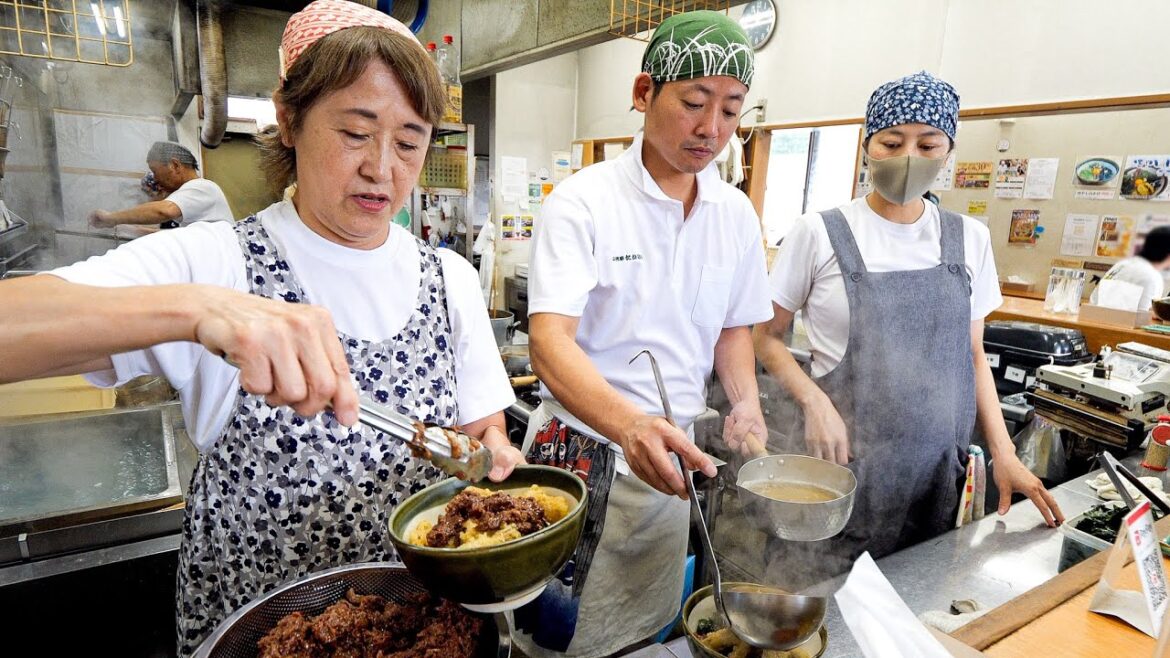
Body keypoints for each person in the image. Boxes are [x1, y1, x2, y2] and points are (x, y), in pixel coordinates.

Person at [0, 2, 522, 654]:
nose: (383, 168)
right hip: (258, 635)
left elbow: (481, 434)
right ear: (289, 117)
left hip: (420, 631)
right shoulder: (216, 261)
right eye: (356, 133)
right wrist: (195, 310)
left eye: (410, 140)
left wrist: (494, 461)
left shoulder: (450, 278)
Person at [518, 11, 773, 658]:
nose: (711, 128)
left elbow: (733, 330)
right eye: (693, 102)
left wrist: (744, 401)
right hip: (580, 456)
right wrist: (629, 426)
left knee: (641, 635)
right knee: (552, 640)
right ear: (642, 93)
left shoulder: (734, 214)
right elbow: (550, 345)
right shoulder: (583, 202)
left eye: (731, 109)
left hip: (669, 461)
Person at [752, 71, 1064, 590]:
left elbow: (972, 354)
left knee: (914, 606)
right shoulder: (820, 232)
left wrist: (1005, 452)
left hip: (934, 476)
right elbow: (765, 337)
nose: (908, 156)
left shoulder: (970, 239)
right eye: (892, 142)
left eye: (927, 143)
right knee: (809, 605)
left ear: (948, 152)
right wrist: (814, 401)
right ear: (868, 147)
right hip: (839, 469)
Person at [88, 140, 233, 230]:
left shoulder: (203, 187)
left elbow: (164, 211)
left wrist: (111, 218)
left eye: (155, 171)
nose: (155, 179)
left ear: (175, 165)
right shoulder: (190, 192)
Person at [1089, 225, 1170, 312]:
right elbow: (1142, 317)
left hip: (1090, 319)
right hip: (1119, 323)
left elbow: (1094, 301)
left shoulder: (1122, 264)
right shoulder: (1152, 277)